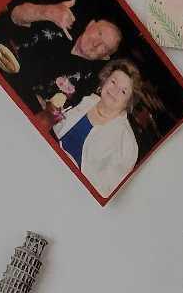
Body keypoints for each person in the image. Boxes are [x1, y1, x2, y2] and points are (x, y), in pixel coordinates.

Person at [0, 0, 123, 112]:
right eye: (99, 34)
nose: (96, 43)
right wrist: (47, 12)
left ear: (105, 57)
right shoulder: (60, 19)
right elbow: (16, 15)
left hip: (10, 104)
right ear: (90, 25)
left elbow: (54, 113)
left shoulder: (86, 83)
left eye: (104, 46)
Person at [52, 59, 152, 197]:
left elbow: (105, 192)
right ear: (105, 80)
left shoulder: (127, 143)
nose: (114, 91)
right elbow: (55, 130)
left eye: (123, 91)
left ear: (129, 102)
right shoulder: (87, 100)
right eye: (113, 82)